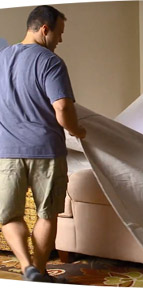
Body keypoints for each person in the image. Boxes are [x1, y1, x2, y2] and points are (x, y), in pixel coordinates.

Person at [0, 5, 86, 283]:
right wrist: (77, 131)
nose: (60, 40)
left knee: (9, 216)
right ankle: (39, 269)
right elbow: (62, 107)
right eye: (59, 33)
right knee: (47, 215)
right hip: (46, 150)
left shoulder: (1, 58)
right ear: (45, 29)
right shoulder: (51, 61)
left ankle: (26, 266)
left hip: (6, 151)